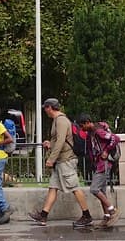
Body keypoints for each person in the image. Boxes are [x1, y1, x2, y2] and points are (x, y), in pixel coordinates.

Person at [27, 98, 93, 228]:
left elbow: (61, 141)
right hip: (61, 160)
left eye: (45, 108)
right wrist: (49, 144)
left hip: (66, 160)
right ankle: (43, 215)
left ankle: (87, 216)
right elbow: (58, 140)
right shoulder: (57, 120)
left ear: (50, 108)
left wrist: (51, 159)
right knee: (53, 187)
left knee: (74, 187)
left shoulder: (61, 120)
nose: (45, 111)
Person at [76, 114, 120, 227]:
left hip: (103, 164)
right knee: (102, 191)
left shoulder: (98, 131)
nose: (82, 129)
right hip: (98, 164)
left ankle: (112, 210)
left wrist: (106, 151)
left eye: (82, 126)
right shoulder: (90, 133)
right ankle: (106, 216)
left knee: (94, 189)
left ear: (87, 122)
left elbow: (115, 138)